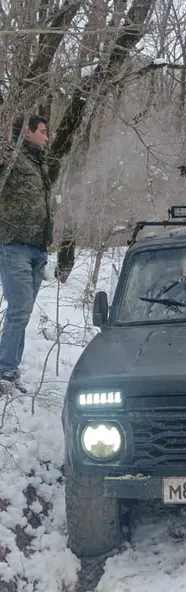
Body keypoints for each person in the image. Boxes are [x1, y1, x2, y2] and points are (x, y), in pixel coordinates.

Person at [0, 115, 53, 393]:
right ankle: (5, 370)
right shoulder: (10, 155)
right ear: (28, 133)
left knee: (23, 312)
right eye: (43, 131)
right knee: (19, 309)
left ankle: (10, 370)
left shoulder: (38, 162)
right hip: (14, 246)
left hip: (37, 249)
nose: (47, 136)